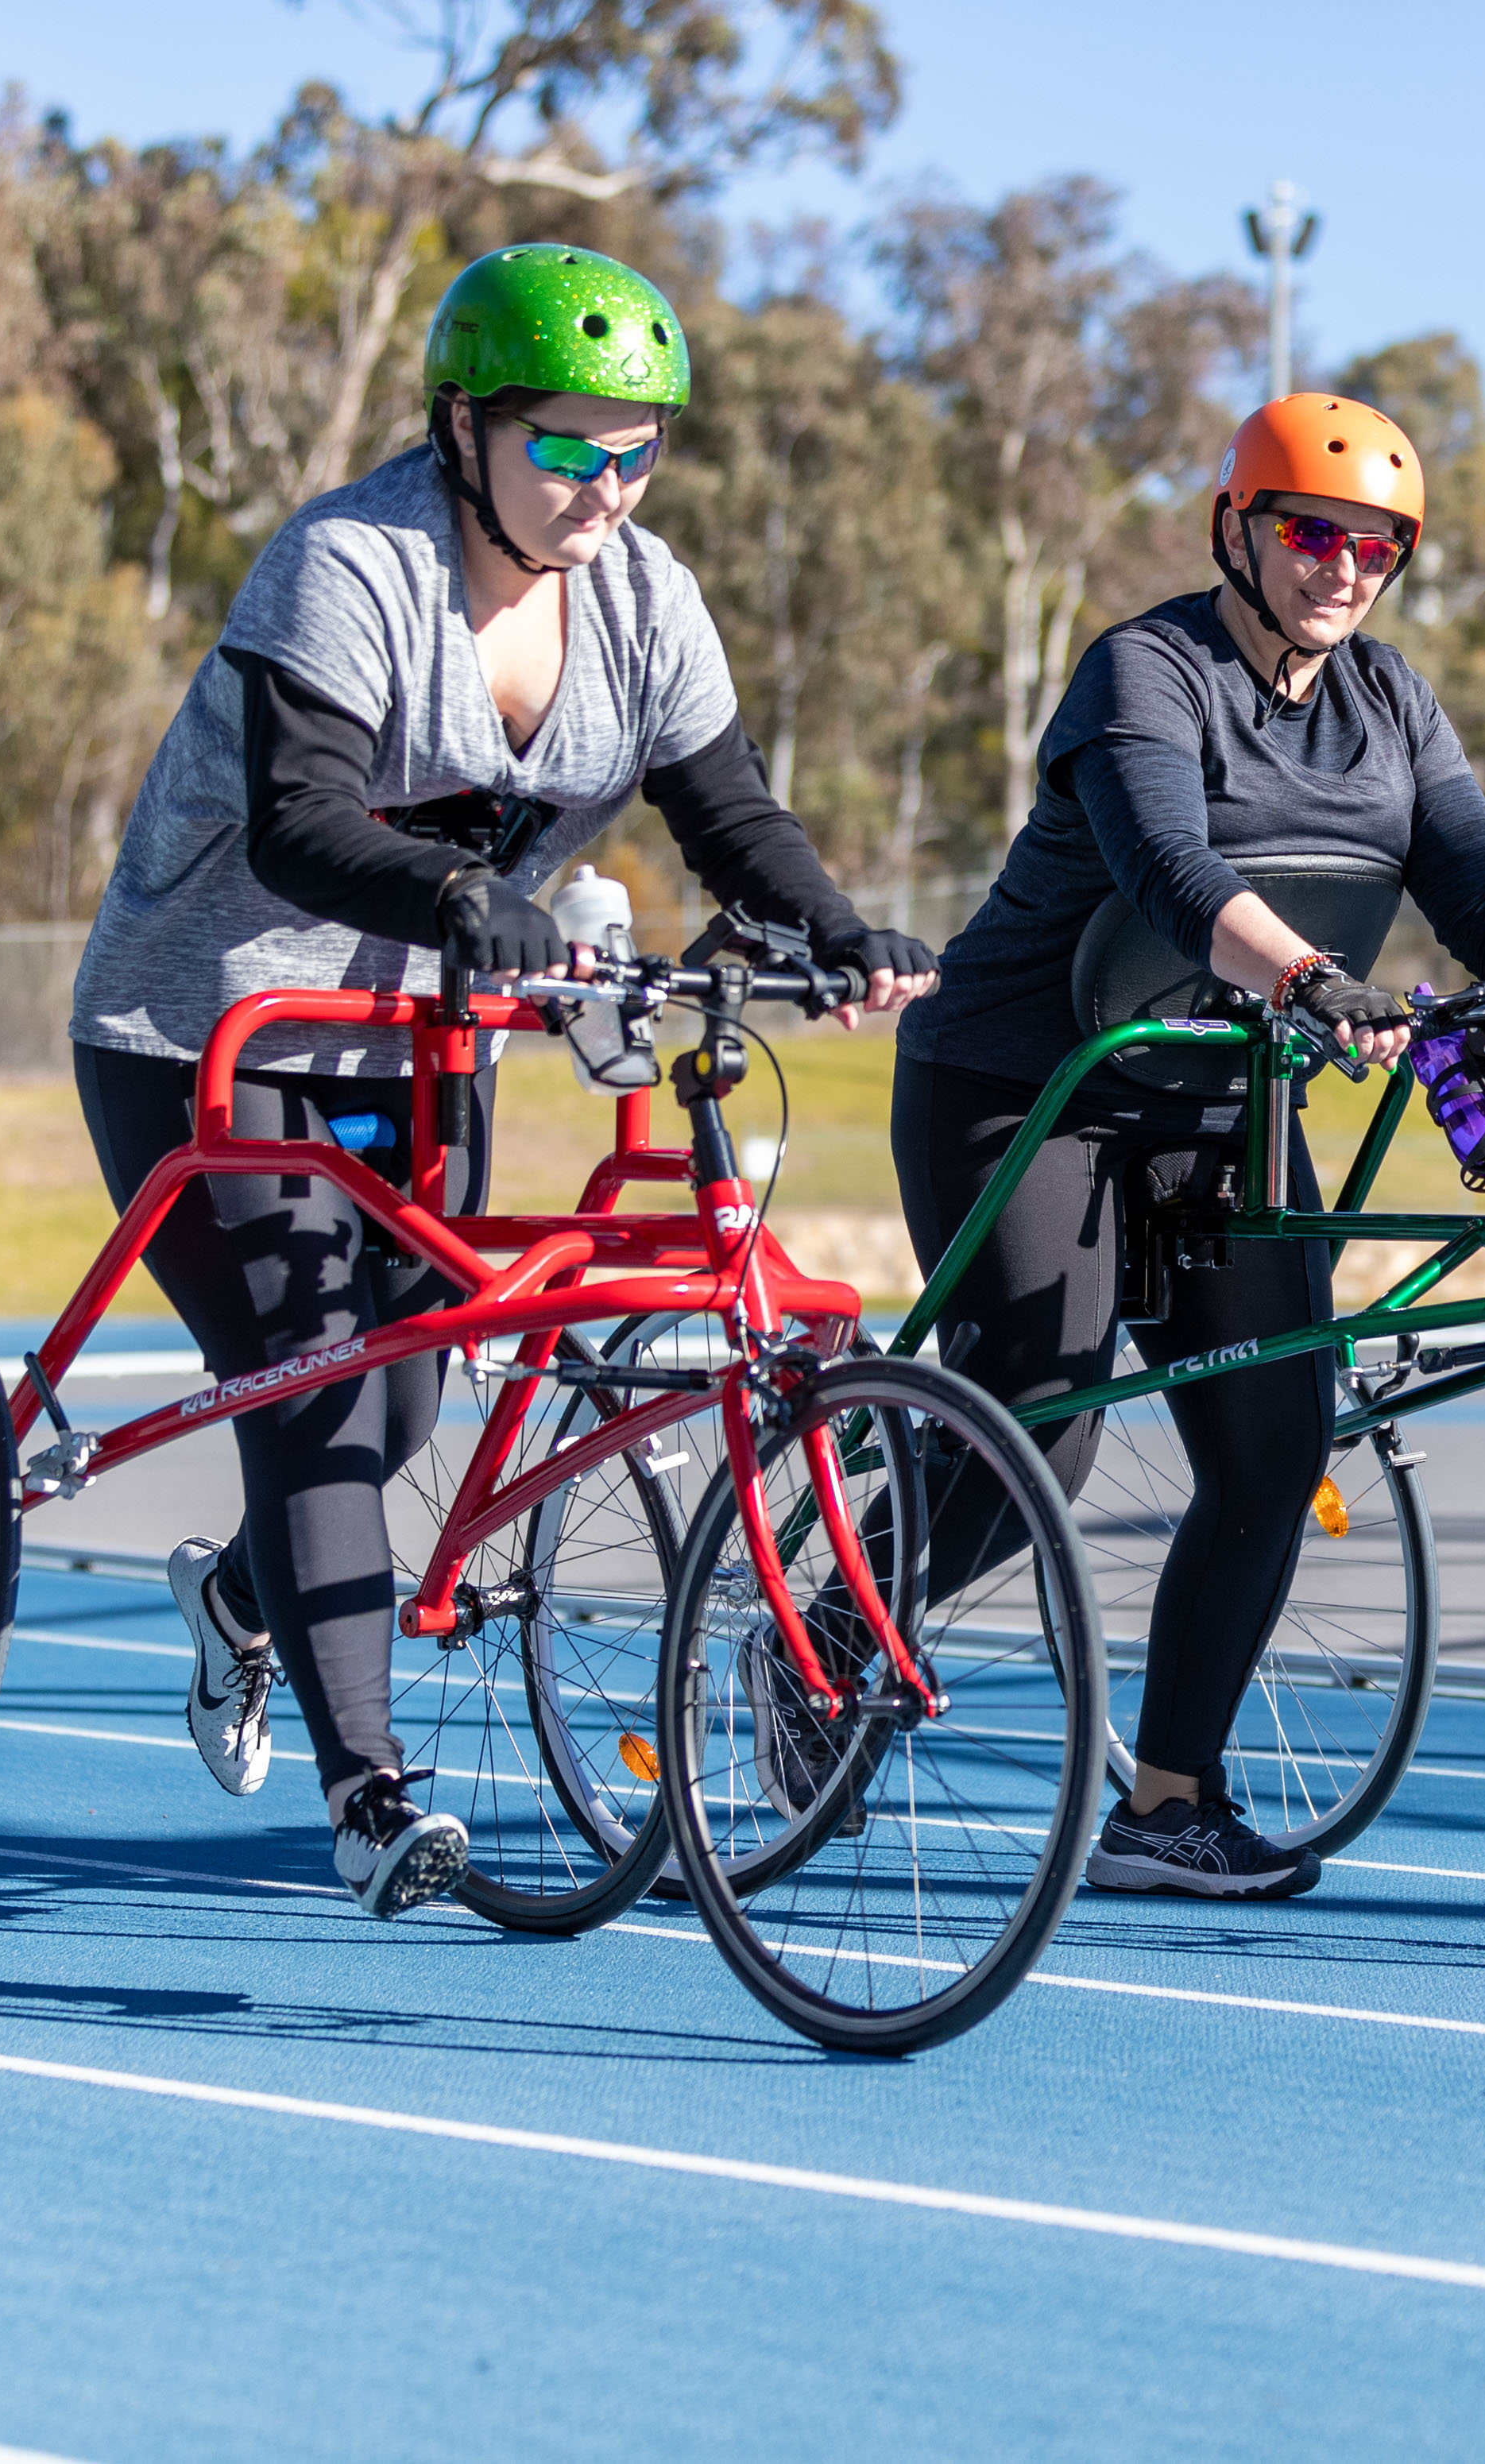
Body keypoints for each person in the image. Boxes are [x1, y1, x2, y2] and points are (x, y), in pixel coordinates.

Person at [68, 242, 935, 1919]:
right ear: (465, 429)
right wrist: (467, 895)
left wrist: (834, 932)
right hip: (209, 1034)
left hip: (415, 1039)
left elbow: (726, 811)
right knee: (322, 1389)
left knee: (398, 1403)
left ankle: (247, 1607)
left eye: (637, 450)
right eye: (565, 447)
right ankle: (371, 1797)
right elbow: (297, 816)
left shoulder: (644, 597)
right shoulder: (350, 563)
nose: (603, 486)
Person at [885, 393, 1485, 1901]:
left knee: (1273, 1443)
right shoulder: (1146, 666)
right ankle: (819, 1641)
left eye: (1377, 544)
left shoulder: (1393, 702)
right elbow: (1165, 860)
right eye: (1312, 531)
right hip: (1027, 1082)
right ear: (1235, 529)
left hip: (1219, 1099)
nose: (1343, 565)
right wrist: (1315, 978)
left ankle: (1170, 1803)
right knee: (1045, 1423)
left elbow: (1479, 877)